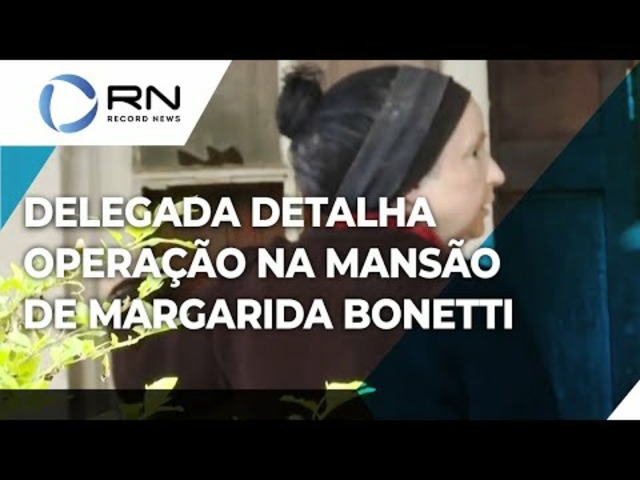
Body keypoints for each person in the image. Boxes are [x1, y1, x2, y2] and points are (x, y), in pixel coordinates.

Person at [108, 63, 560, 419]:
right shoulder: (466, 298)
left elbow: (140, 361)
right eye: (474, 153)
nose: (496, 174)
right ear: (407, 182)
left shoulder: (249, 284)